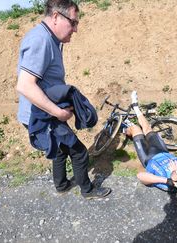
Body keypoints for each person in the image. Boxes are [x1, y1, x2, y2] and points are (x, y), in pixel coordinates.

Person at [16, 0, 111, 199]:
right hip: (43, 116)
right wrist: (58, 112)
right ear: (56, 17)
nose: (75, 29)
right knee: (79, 151)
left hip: (41, 112)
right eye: (73, 22)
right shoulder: (40, 40)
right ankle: (88, 190)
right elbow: (25, 85)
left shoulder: (52, 39)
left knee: (59, 150)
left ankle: (61, 185)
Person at [124, 91, 177, 192]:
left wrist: (168, 180)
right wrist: (176, 172)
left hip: (148, 158)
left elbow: (140, 176)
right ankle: (135, 107)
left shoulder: (169, 186)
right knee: (148, 129)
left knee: (135, 129)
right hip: (163, 151)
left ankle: (124, 128)